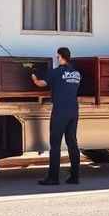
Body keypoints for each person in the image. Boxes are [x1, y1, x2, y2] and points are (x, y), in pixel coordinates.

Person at [30, 47, 81, 185]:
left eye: (57, 57)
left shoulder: (56, 72)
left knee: (55, 145)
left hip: (60, 112)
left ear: (60, 57)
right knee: (72, 143)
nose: (57, 59)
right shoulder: (77, 73)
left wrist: (34, 77)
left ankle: (53, 178)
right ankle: (75, 176)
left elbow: (41, 84)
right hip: (74, 111)